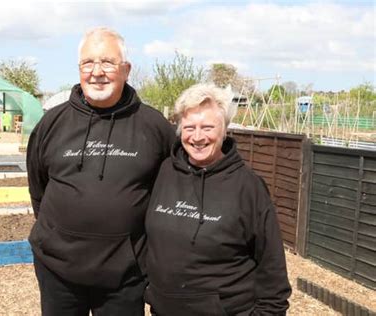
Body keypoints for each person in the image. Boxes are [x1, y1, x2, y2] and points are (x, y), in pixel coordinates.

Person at [26, 27, 175, 316]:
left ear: (126, 70)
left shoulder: (154, 126)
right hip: (58, 271)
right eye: (88, 63)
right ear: (79, 69)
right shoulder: (51, 124)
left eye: (107, 62)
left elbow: (169, 190)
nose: (97, 72)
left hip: (126, 275)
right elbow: (38, 189)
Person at [144, 83, 291, 315]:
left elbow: (271, 266)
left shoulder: (247, 186)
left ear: (224, 130)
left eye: (208, 127)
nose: (198, 137)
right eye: (190, 127)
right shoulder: (164, 172)